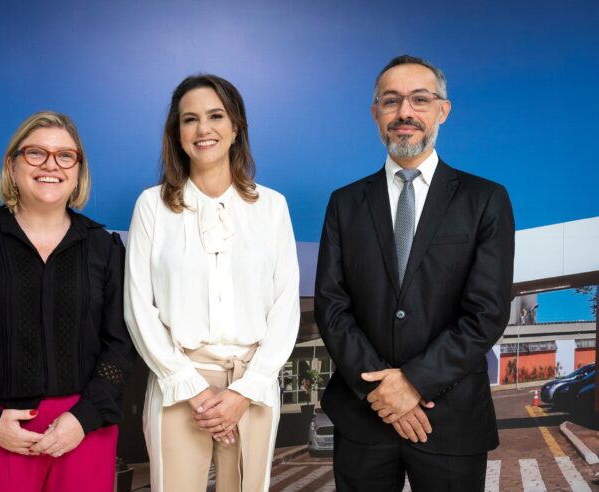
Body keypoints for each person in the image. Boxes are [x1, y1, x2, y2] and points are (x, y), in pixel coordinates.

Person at [315, 55, 515, 491]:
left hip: (452, 419)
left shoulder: (485, 200)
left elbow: (487, 311)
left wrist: (413, 383)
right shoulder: (344, 204)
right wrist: (381, 393)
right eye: (391, 101)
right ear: (376, 114)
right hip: (363, 417)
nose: (405, 112)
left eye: (419, 100)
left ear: (443, 110)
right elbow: (332, 306)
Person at [0, 111, 134, 491]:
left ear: (78, 169)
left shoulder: (104, 248)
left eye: (65, 155)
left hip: (82, 430)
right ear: (13, 164)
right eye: (36, 153)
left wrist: (84, 417)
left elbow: (119, 346)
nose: (51, 165)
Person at [124, 74, 300, 491]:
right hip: (178, 385)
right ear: (177, 132)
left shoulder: (272, 207)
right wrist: (193, 390)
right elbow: (138, 307)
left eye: (215, 116)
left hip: (253, 386)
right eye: (190, 119)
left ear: (236, 127)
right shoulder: (151, 206)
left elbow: (285, 307)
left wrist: (246, 390)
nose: (203, 129)